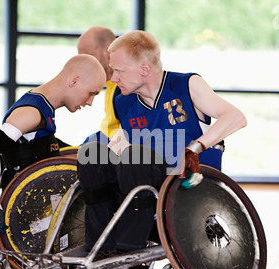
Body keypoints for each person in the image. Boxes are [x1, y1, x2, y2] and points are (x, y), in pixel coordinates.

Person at [77, 30, 247, 254]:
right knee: (92, 154)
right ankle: (99, 248)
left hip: (185, 182)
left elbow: (236, 117)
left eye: (118, 71)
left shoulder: (186, 85)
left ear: (145, 69)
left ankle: (129, 250)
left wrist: (194, 149)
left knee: (135, 157)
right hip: (139, 181)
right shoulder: (123, 101)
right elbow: (121, 143)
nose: (113, 78)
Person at [0, 54, 106, 236]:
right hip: (29, 211)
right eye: (92, 93)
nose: (90, 102)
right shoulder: (31, 114)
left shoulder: (43, 105)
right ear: (75, 80)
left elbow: (44, 146)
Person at [77, 26, 121, 142]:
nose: (84, 65)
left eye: (88, 55)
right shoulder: (111, 84)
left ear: (108, 52)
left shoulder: (124, 89)